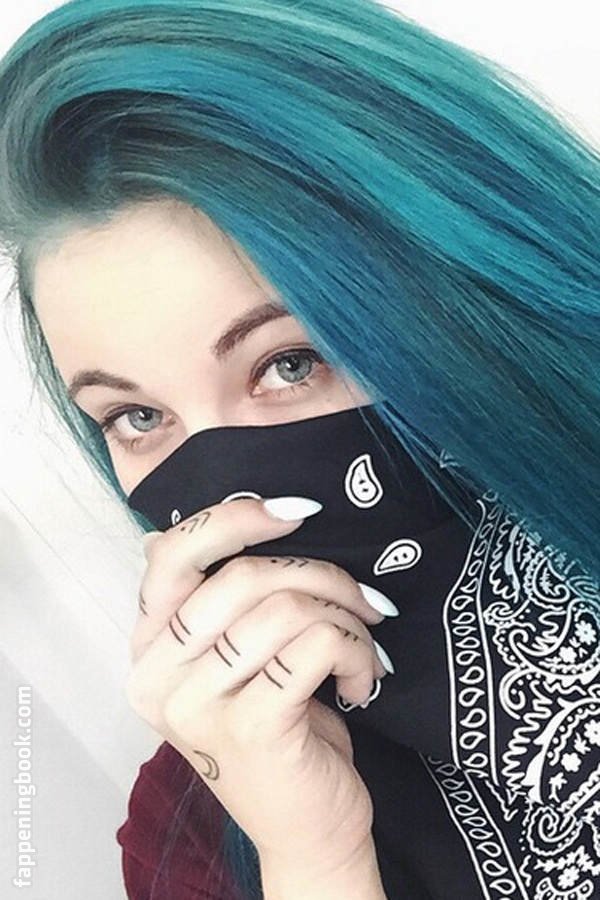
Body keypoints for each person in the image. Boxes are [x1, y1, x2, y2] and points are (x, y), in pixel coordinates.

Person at [0, 1, 598, 897]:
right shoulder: (193, 830)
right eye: (136, 417)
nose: (228, 497)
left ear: (477, 305)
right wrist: (316, 858)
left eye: (290, 362)